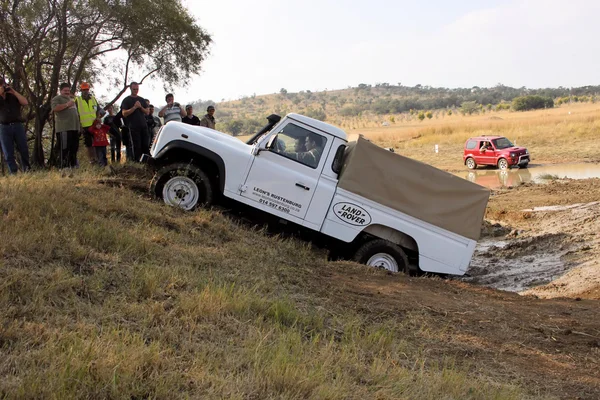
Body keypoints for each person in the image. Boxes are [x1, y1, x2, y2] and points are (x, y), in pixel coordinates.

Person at [0, 77, 30, 174]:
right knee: (8, 152)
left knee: (23, 148)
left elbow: (25, 102)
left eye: (2, 85)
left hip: (17, 125)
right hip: (4, 127)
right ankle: (13, 172)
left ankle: (27, 169)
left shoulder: (12, 96)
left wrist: (14, 92)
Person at [51, 82, 80, 168]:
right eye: (65, 90)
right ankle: (63, 167)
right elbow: (55, 108)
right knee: (64, 148)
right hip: (64, 128)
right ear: (61, 91)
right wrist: (67, 105)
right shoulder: (57, 98)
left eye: (68, 90)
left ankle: (73, 165)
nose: (67, 92)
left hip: (74, 127)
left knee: (74, 148)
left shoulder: (72, 99)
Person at [120, 82, 150, 162]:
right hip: (133, 126)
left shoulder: (141, 99)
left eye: (137, 89)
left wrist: (140, 107)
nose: (136, 91)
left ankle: (146, 162)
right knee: (136, 146)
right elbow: (124, 113)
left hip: (143, 125)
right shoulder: (126, 100)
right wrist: (134, 107)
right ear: (130, 88)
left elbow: (147, 112)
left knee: (145, 144)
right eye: (134, 89)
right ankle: (137, 162)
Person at [75, 82, 100, 164]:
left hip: (95, 125)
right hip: (85, 126)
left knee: (97, 143)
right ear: (81, 90)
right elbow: (76, 114)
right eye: (84, 90)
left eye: (87, 89)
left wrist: (98, 119)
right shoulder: (77, 100)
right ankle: (92, 161)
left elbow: (98, 110)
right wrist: (79, 126)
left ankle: (98, 160)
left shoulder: (93, 99)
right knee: (89, 145)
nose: (85, 91)